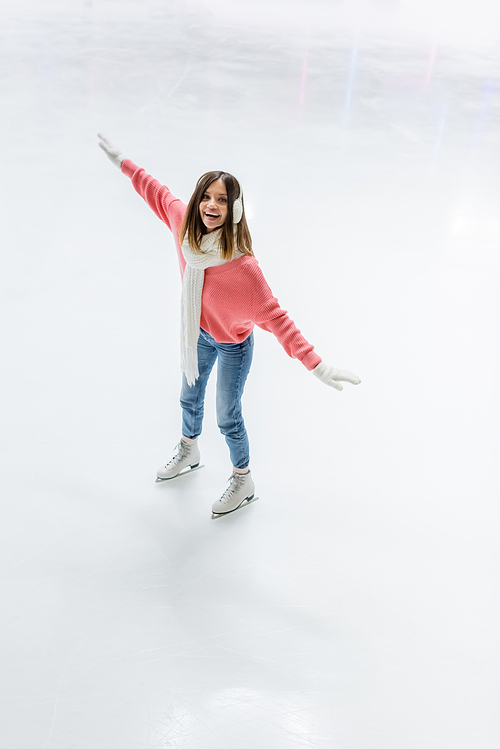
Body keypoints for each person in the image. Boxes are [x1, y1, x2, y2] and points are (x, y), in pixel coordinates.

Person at [97, 133, 361, 517]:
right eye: (206, 196)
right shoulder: (184, 229)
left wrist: (317, 365)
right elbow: (155, 190)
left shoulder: (243, 268)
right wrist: (123, 162)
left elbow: (278, 320)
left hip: (233, 345)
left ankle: (243, 479)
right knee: (189, 396)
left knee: (227, 414)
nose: (211, 205)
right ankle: (189, 449)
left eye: (222, 199)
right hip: (198, 335)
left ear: (235, 210)